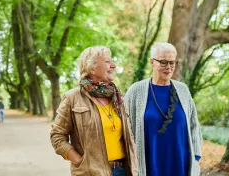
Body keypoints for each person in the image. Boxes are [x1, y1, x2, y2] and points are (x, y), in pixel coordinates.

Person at [50, 46, 138, 176]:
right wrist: (81, 162)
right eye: (108, 61)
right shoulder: (72, 98)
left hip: (122, 170)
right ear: (91, 67)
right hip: (90, 172)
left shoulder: (117, 97)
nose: (113, 66)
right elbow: (57, 136)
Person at [124, 42, 202, 176]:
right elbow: (126, 128)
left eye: (172, 62)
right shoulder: (135, 91)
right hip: (148, 164)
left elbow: (194, 124)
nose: (169, 67)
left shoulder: (183, 90)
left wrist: (195, 157)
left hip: (181, 164)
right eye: (163, 62)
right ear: (152, 62)